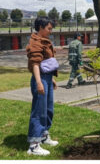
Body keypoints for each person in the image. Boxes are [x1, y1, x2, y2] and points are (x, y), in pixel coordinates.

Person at [25, 16, 59, 156]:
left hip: (47, 78)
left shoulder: (45, 40)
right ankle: (34, 145)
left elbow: (46, 63)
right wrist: (39, 82)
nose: (51, 31)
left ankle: (44, 135)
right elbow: (35, 64)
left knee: (48, 109)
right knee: (39, 111)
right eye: (49, 28)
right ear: (41, 27)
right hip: (40, 78)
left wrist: (51, 79)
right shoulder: (35, 42)